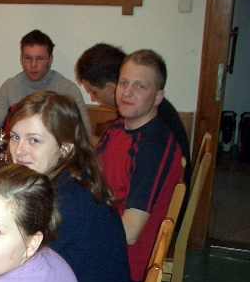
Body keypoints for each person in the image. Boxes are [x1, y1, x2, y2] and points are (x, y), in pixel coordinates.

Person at [7, 90, 130, 282]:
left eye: (34, 140)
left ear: (65, 148)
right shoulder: (74, 179)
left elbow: (15, 275)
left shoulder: (65, 202)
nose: (19, 150)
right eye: (15, 137)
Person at [95, 49, 183, 282]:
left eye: (140, 86)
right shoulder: (120, 128)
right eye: (124, 83)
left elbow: (130, 232)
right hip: (108, 239)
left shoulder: (153, 146)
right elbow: (88, 170)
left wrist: (82, 230)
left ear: (158, 97)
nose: (127, 92)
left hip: (124, 265)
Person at [75, 42, 192, 185]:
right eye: (124, 83)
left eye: (94, 92)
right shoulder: (128, 121)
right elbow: (109, 150)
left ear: (111, 88)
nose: (127, 92)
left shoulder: (154, 138)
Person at [0, 29, 91, 135]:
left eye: (40, 59)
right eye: (28, 58)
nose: (33, 65)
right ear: (21, 59)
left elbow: (84, 133)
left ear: (50, 60)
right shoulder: (9, 87)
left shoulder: (68, 90)